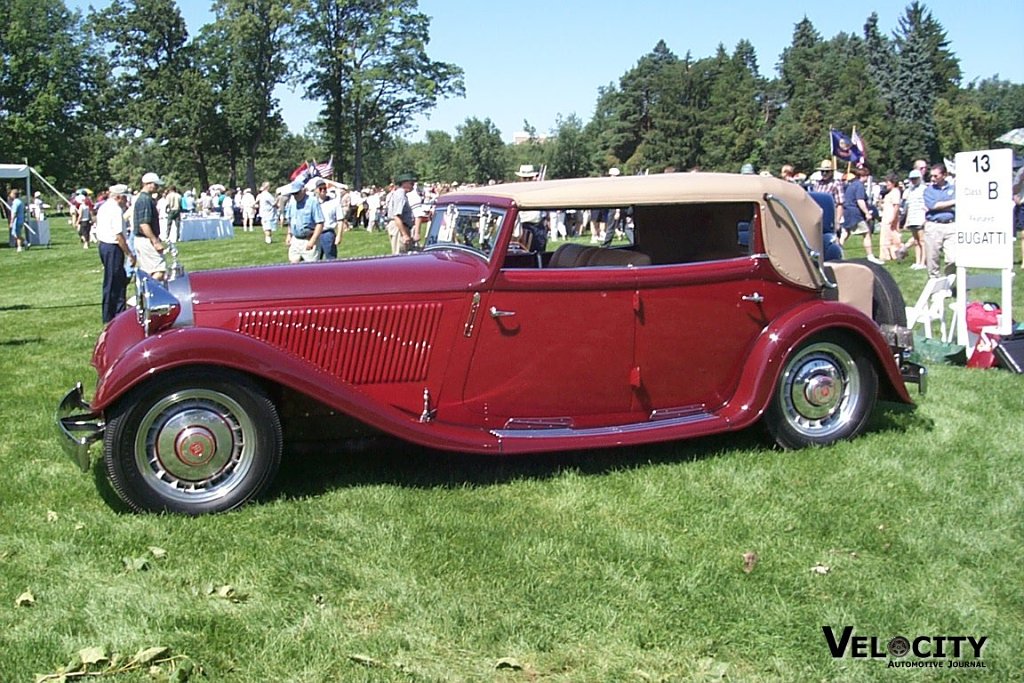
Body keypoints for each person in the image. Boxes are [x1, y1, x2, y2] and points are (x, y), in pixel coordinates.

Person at [96, 184, 136, 323]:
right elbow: (119, 235)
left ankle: (116, 312)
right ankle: (111, 314)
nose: (126, 201)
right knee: (114, 282)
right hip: (112, 246)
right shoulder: (115, 210)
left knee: (116, 279)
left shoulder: (103, 207)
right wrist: (129, 253)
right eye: (125, 198)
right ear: (119, 197)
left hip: (104, 245)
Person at [839, 166, 883, 264]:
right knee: (867, 233)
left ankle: (837, 252)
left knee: (845, 234)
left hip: (847, 212)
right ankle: (870, 256)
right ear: (864, 176)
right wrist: (867, 213)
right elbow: (860, 201)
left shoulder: (851, 185)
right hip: (855, 213)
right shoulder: (859, 185)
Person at [923, 162, 956, 278]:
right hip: (934, 226)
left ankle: (949, 281)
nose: (932, 179)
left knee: (953, 258)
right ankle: (934, 283)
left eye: (935, 176)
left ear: (944, 175)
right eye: (931, 176)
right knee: (932, 258)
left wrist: (945, 205)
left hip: (951, 225)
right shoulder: (928, 191)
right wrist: (954, 202)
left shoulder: (954, 189)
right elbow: (933, 205)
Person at [133, 172, 167, 280]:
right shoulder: (145, 200)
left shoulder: (144, 199)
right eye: (156, 185)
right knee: (160, 270)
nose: (157, 187)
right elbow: (144, 224)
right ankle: (148, 292)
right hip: (146, 240)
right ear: (148, 184)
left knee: (149, 271)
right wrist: (155, 241)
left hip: (143, 240)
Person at [283, 178, 324, 263]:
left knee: (310, 269)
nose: (295, 196)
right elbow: (290, 220)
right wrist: (289, 235)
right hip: (295, 240)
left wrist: (312, 240)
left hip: (308, 239)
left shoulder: (312, 202)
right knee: (293, 267)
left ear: (304, 190)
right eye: (293, 194)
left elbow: (320, 223)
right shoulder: (292, 203)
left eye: (297, 193)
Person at [898, 169, 928, 270]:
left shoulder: (924, 189)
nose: (913, 181)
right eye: (912, 179)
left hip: (921, 217)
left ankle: (923, 262)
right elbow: (908, 206)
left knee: (922, 241)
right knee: (916, 241)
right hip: (913, 217)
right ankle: (917, 261)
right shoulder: (910, 190)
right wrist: (907, 220)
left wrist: (925, 217)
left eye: (915, 179)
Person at [387, 172, 416, 255]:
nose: (413, 185)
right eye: (411, 183)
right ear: (404, 183)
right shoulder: (400, 195)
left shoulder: (401, 194)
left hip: (402, 226)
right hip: (398, 227)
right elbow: (397, 216)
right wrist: (404, 235)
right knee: (399, 255)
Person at [312, 178, 342, 259]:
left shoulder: (334, 202)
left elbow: (340, 220)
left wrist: (339, 235)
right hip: (314, 234)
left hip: (327, 234)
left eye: (324, 188)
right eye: (320, 188)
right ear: (316, 190)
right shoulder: (312, 203)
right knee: (314, 260)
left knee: (331, 259)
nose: (323, 190)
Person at [810, 160, 844, 229]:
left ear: (832, 172)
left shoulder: (836, 184)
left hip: (830, 216)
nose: (824, 173)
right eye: (822, 171)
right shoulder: (818, 183)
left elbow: (840, 204)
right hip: (817, 215)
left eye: (827, 171)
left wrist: (837, 221)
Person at [879, 173, 903, 261]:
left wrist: (893, 218)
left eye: (888, 182)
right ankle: (888, 254)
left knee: (891, 237)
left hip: (890, 217)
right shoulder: (890, 193)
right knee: (887, 236)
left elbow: (896, 206)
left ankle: (892, 254)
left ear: (893, 182)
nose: (886, 184)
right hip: (886, 216)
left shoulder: (896, 192)